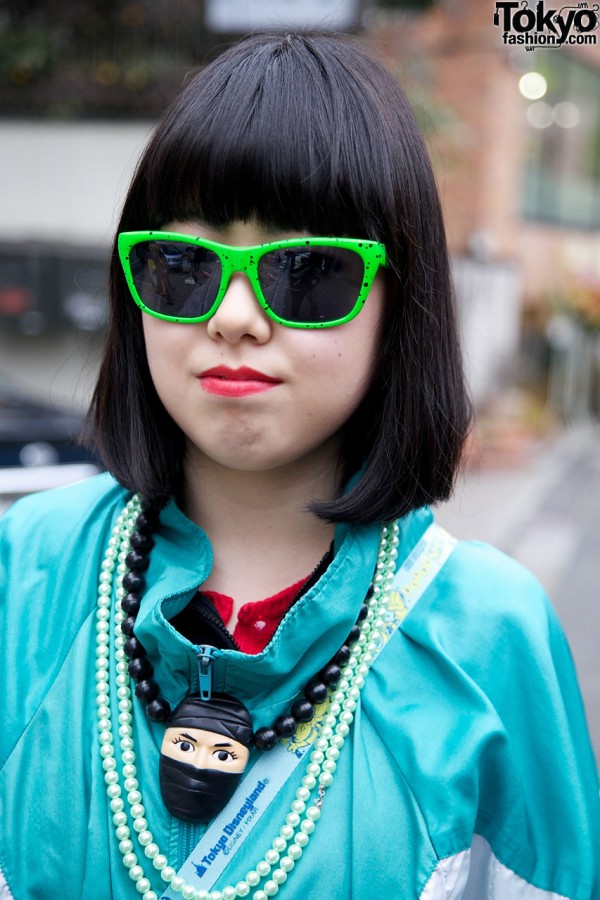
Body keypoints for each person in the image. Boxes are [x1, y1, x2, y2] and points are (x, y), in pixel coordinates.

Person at [0, 31, 598, 900]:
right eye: (181, 264)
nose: (235, 316)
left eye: (306, 271)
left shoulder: (490, 635)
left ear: (403, 304)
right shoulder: (28, 568)